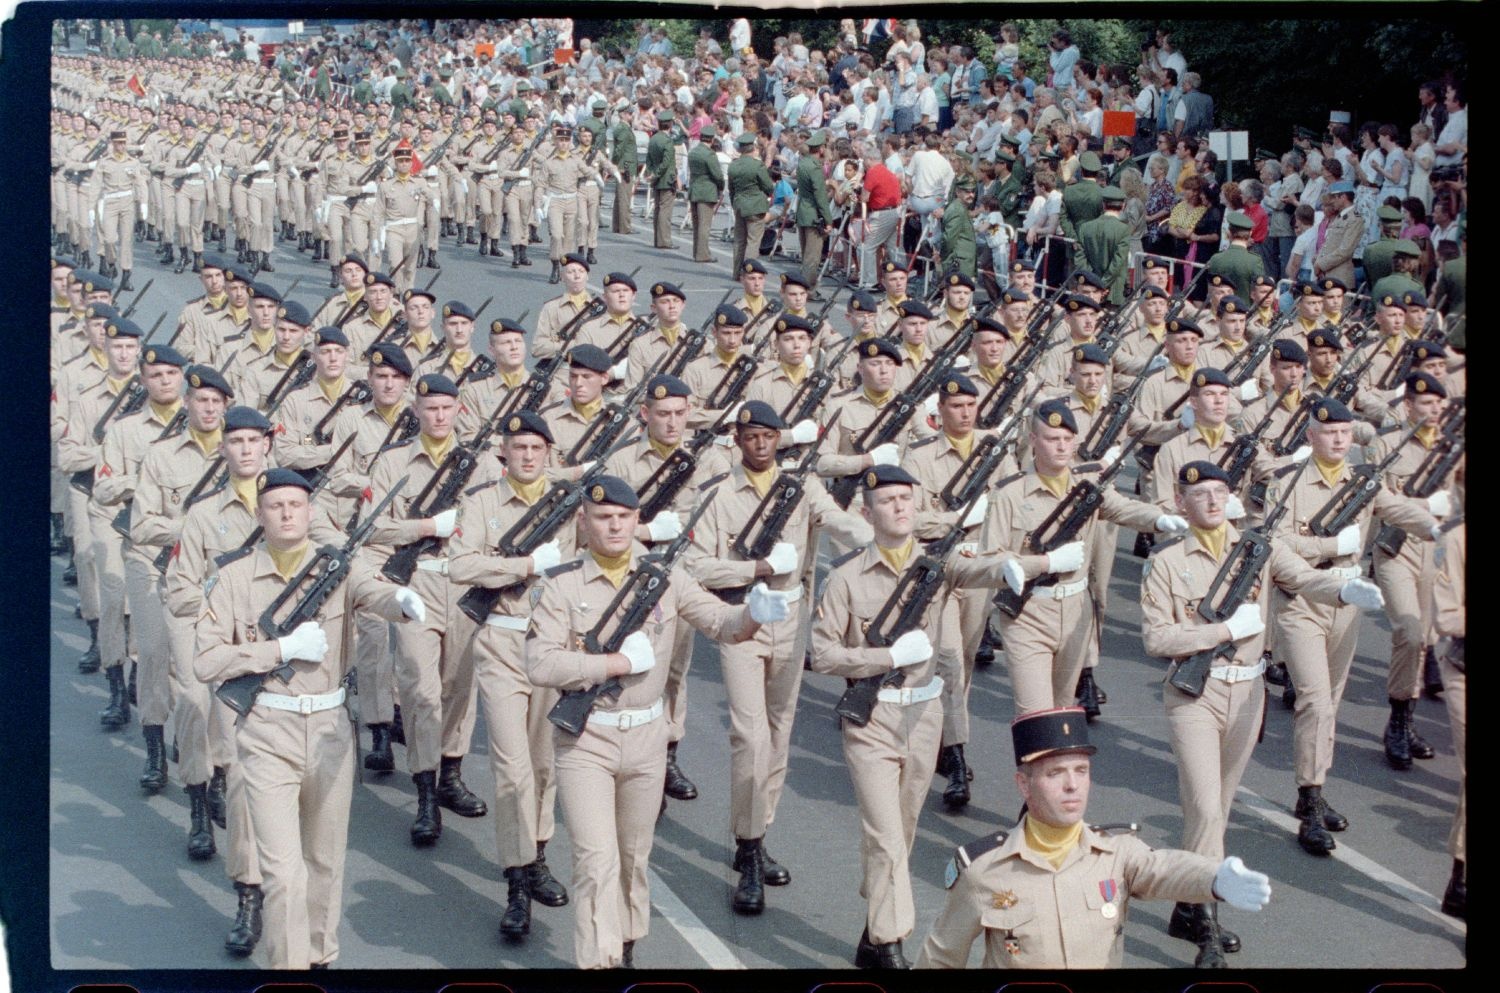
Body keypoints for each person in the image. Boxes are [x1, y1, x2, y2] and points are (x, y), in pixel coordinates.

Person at [525, 475, 789, 968]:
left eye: (624, 517)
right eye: (603, 518)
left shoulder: (666, 580)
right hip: (587, 739)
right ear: (583, 523)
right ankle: (598, 962)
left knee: (632, 857)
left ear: (636, 521)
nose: (615, 526)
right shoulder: (560, 584)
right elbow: (540, 664)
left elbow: (722, 624)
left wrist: (753, 613)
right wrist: (614, 665)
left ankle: (624, 949)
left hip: (648, 738)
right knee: (594, 861)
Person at [1142, 460, 1386, 965]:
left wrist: (1344, 589)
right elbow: (1157, 638)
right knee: (1207, 810)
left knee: (1216, 811)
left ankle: (1187, 902)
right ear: (1181, 503)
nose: (1211, 501)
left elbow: (1302, 579)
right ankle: (1205, 921)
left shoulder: (1261, 547)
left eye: (1219, 491)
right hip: (1194, 696)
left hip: (1248, 695)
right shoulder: (1166, 562)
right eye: (1200, 494)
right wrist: (1223, 632)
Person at [194, 468, 425, 969]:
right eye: (275, 505)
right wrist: (278, 648)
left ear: (311, 512)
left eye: (296, 505)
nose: (286, 513)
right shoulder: (233, 576)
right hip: (266, 731)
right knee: (282, 873)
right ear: (259, 514)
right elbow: (206, 660)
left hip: (329, 733)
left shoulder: (339, 568)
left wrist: (402, 602)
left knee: (324, 862)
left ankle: (322, 960)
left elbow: (374, 591)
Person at [811, 464, 1019, 969]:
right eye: (888, 500)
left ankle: (872, 929)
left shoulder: (938, 566)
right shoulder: (844, 578)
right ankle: (891, 944)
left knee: (900, 833)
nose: (900, 507)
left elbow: (977, 568)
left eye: (907, 498)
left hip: (925, 716)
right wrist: (885, 659)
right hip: (872, 721)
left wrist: (1014, 566)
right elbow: (822, 655)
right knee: (884, 836)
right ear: (867, 512)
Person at [914, 706, 1273, 969]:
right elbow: (941, 958)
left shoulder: (1116, 854)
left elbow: (1165, 867)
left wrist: (1216, 878)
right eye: (1055, 773)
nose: (1072, 785)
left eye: (1081, 771)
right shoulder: (985, 871)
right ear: (1024, 784)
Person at [1262, 398, 1440, 855]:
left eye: (1345, 432)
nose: (1339, 440)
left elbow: (1400, 511)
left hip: (1348, 603)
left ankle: (1314, 791)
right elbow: (1274, 543)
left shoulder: (1363, 482)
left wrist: (1441, 528)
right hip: (1302, 602)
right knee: (1316, 702)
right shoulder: (1288, 482)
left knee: (1333, 703)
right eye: (1329, 432)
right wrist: (1327, 543)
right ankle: (1310, 798)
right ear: (1310, 435)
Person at [728, 132, 773, 275]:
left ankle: (736, 272)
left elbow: (731, 189)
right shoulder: (757, 165)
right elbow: (768, 187)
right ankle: (748, 273)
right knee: (753, 241)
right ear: (752, 147)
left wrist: (735, 204)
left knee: (739, 241)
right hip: (755, 206)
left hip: (740, 205)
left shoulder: (733, 165)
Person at [687, 124, 725, 263]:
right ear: (712, 139)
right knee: (705, 225)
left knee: (697, 224)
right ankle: (703, 254)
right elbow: (717, 175)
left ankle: (697, 251)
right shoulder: (709, 154)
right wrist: (721, 188)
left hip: (695, 189)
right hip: (707, 190)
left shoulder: (693, 152)